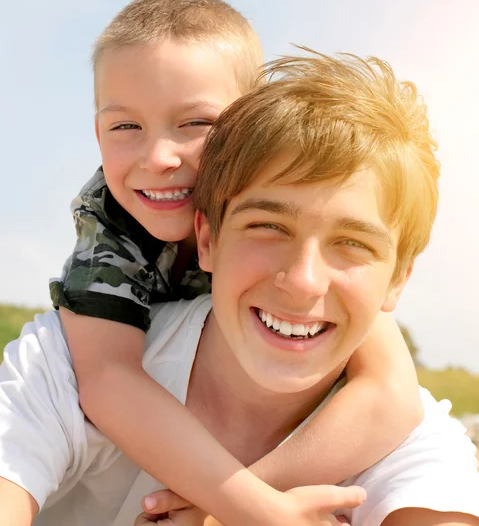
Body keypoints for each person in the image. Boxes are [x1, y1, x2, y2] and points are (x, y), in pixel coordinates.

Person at [1, 51, 478, 526]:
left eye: (351, 243)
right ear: (206, 239)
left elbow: (391, 392)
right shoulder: (65, 361)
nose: (303, 282)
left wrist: (217, 515)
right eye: (268, 226)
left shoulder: (416, 451)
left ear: (397, 280)